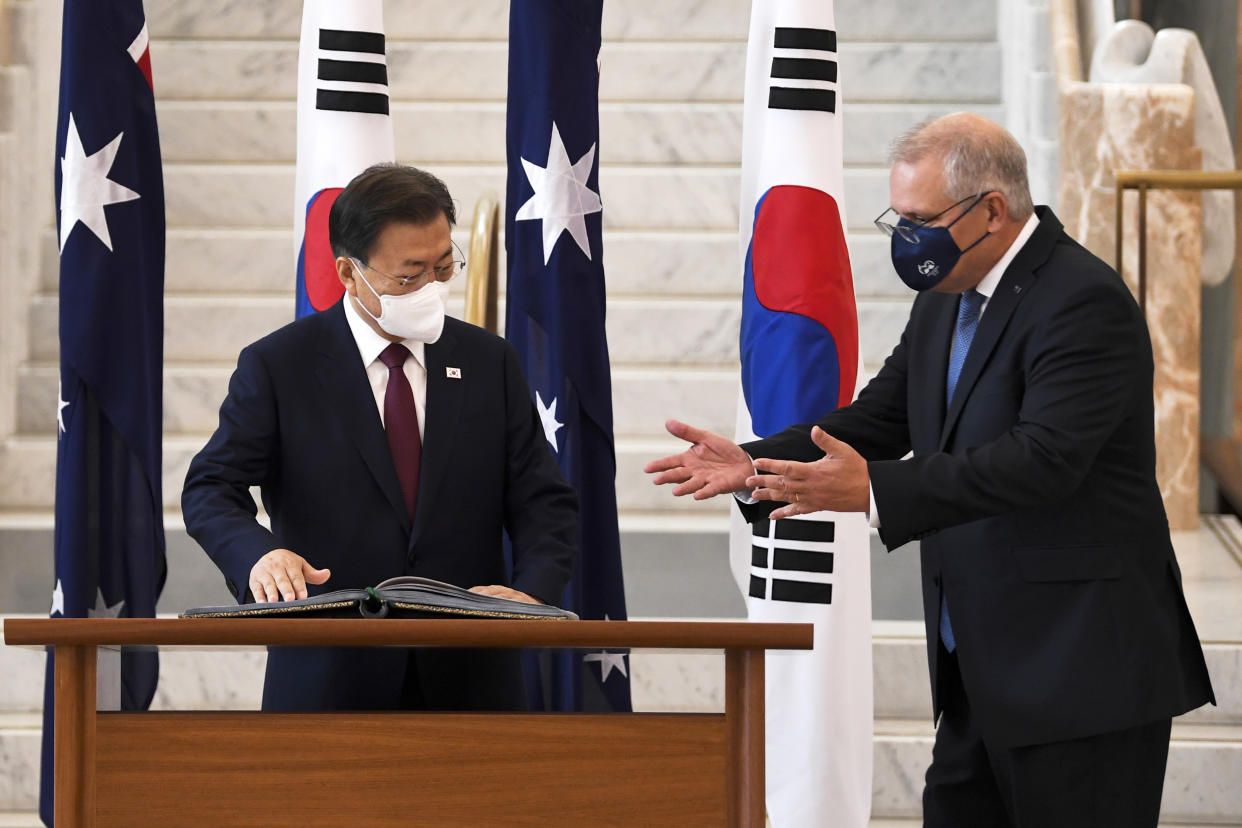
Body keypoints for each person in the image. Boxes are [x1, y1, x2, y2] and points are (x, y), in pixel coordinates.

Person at [645, 113, 1214, 827]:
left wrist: (876, 491)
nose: (906, 238)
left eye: (919, 220)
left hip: (1079, 675)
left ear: (992, 212)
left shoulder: (1081, 299)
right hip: (981, 671)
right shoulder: (947, 295)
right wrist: (758, 461)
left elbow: (1042, 462)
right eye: (898, 219)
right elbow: (883, 417)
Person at [183, 163, 577, 712]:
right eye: (409, 276)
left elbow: (543, 500)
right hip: (329, 671)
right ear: (349, 273)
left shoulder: (490, 362)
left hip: (469, 670)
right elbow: (210, 488)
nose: (432, 288)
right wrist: (260, 557)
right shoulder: (280, 366)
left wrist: (530, 594)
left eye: (443, 267)